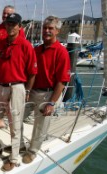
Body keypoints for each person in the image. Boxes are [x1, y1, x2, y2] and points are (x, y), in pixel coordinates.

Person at [0, 13, 37, 172]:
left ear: (19, 27)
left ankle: (14, 158)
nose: (10, 26)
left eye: (14, 24)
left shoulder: (25, 45)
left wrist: (27, 90)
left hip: (17, 87)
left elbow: (32, 72)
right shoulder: (0, 44)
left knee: (15, 123)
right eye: (8, 23)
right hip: (0, 86)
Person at [23, 16, 71, 164]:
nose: (47, 31)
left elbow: (62, 81)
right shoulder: (37, 50)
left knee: (40, 125)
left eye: (50, 28)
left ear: (57, 31)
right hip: (32, 91)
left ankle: (32, 151)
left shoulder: (61, 52)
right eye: (45, 28)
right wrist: (27, 90)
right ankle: (18, 145)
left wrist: (52, 102)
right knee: (16, 116)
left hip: (48, 94)